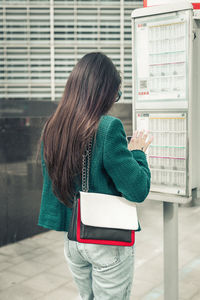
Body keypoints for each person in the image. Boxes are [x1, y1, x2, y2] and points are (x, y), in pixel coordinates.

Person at [38, 52, 153, 300]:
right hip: (105, 240)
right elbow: (138, 188)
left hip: (73, 240)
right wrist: (138, 153)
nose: (114, 99)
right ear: (102, 92)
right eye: (115, 93)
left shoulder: (53, 127)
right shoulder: (108, 127)